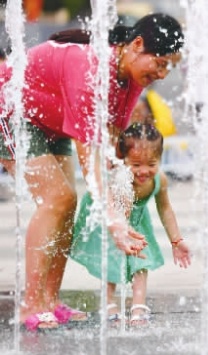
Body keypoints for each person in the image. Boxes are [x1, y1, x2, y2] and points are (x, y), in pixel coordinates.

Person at [0, 13, 184, 331]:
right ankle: (29, 304)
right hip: (14, 111)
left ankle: (50, 301)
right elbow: (90, 160)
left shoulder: (130, 80)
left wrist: (121, 191)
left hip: (50, 122)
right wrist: (113, 220)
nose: (162, 74)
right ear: (137, 45)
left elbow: (112, 137)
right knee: (57, 198)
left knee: (67, 203)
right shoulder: (91, 69)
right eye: (161, 63)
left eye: (170, 68)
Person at [70, 123, 191, 327]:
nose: (144, 171)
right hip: (113, 221)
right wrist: (123, 232)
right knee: (112, 260)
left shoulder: (159, 180)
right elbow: (120, 211)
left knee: (141, 263)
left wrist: (176, 240)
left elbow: (166, 209)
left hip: (137, 223)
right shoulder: (120, 178)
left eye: (151, 164)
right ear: (123, 160)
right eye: (136, 165)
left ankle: (138, 306)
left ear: (160, 159)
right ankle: (108, 301)